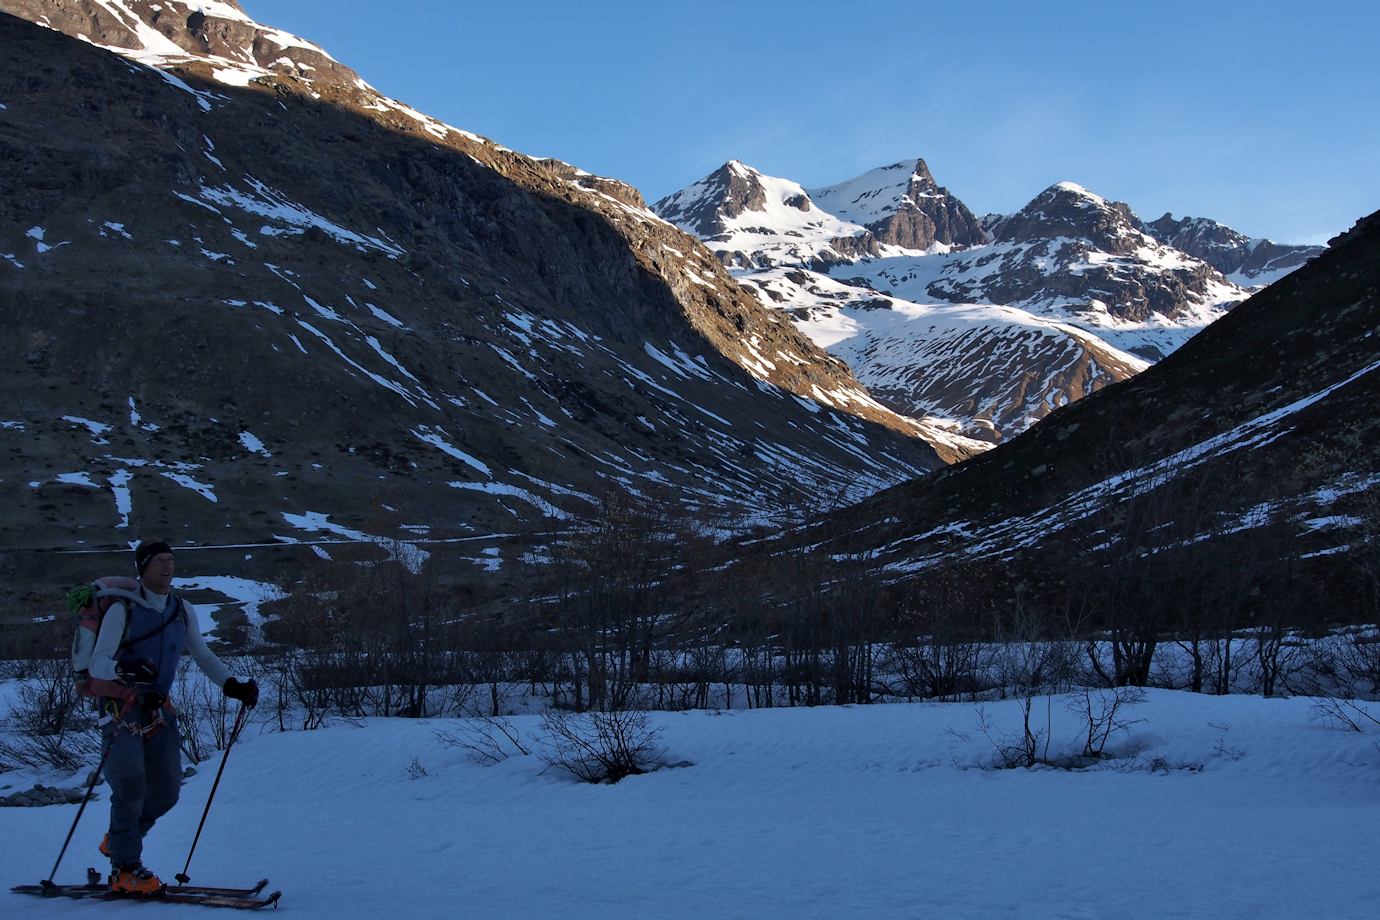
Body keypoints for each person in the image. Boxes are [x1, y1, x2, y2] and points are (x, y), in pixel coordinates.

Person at [86, 540, 259, 894]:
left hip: (158, 709)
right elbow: (98, 662)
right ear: (143, 568)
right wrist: (128, 668)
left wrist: (232, 685)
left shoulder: (182, 610)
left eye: (171, 560)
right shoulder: (123, 610)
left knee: (165, 792)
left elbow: (203, 655)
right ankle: (125, 868)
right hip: (120, 708)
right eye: (159, 562)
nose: (167, 567)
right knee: (131, 782)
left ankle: (120, 839)